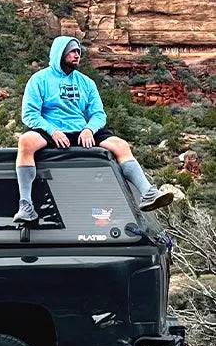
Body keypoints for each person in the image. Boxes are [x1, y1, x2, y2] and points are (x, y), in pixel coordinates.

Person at [13, 36, 173, 223]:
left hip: (82, 131)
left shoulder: (86, 83)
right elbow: (29, 114)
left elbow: (99, 114)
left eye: (79, 52)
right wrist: (52, 130)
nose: (77, 55)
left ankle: (147, 192)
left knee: (120, 145)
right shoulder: (39, 80)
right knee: (25, 142)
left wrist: (89, 129)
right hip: (52, 131)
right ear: (60, 53)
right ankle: (26, 205)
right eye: (73, 51)